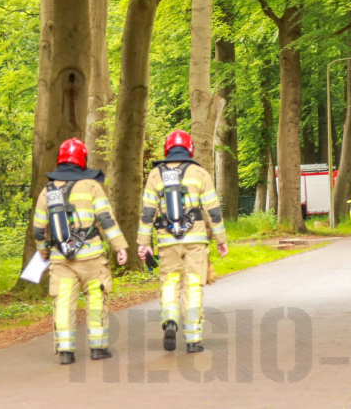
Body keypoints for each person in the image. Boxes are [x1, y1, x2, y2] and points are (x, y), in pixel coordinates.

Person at [32, 138, 128, 365]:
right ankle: (98, 348)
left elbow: (38, 230)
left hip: (61, 261)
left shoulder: (47, 191)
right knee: (96, 300)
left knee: (64, 303)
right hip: (92, 260)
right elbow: (106, 220)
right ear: (83, 160)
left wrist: (44, 254)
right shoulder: (91, 186)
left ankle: (65, 351)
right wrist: (120, 246)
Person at [137, 130, 229, 354]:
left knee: (170, 283)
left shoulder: (155, 175)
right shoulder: (199, 173)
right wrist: (220, 239)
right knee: (193, 287)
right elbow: (213, 211)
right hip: (196, 240)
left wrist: (143, 242)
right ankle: (193, 340)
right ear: (190, 149)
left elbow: (148, 212)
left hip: (167, 241)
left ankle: (170, 319)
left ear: (167, 149)